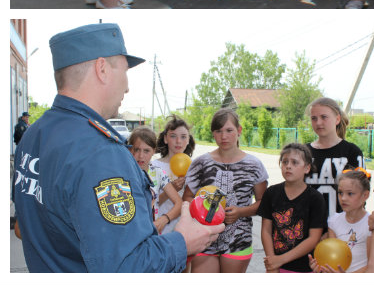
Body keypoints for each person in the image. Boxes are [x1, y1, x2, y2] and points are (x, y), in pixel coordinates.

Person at [12, 23, 222, 271]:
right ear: (102, 69)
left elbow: (28, 229)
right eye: (124, 71)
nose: (127, 86)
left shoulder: (34, 134)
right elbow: (125, 267)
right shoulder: (101, 153)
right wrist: (182, 243)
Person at [182, 108, 268, 273]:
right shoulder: (200, 163)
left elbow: (263, 203)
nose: (224, 136)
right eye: (218, 131)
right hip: (203, 237)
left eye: (229, 130)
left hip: (238, 240)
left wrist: (240, 212)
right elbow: (187, 198)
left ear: (239, 131)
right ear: (213, 134)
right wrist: (200, 211)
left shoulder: (254, 165)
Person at [257, 143, 326, 273]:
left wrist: (281, 259)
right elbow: (266, 231)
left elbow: (314, 238)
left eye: (295, 163)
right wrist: (272, 261)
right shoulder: (271, 193)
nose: (288, 166)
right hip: (275, 266)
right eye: (285, 162)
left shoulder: (316, 199)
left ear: (307, 168)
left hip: (304, 268)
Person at [306, 97, 366, 220]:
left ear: (337, 119)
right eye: (314, 118)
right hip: (309, 228)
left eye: (324, 117)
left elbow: (360, 195)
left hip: (341, 228)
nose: (318, 123)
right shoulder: (303, 153)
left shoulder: (352, 152)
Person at [310, 168, 374, 273]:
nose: (343, 198)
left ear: (365, 195)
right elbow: (331, 256)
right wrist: (320, 267)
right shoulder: (334, 221)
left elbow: (371, 264)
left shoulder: (370, 224)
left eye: (350, 193)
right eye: (340, 193)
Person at [150, 115, 195, 235]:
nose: (178, 141)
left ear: (188, 140)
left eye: (183, 137)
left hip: (183, 230)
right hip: (160, 228)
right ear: (165, 139)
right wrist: (172, 189)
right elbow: (151, 202)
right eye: (173, 136)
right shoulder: (154, 167)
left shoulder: (194, 168)